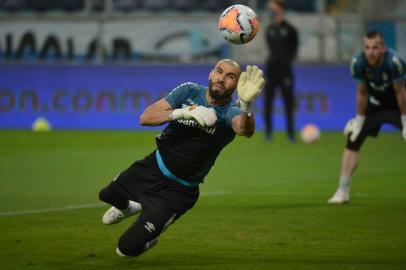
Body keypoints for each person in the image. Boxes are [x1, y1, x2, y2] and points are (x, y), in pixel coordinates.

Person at [98, 59, 265, 257]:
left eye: (230, 77)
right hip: (152, 168)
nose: (222, 79)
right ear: (211, 74)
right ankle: (128, 207)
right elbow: (146, 117)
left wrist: (246, 106)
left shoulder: (231, 113)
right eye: (219, 72)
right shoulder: (189, 91)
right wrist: (184, 112)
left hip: (178, 193)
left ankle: (150, 235)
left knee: (125, 249)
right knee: (106, 195)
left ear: (237, 86)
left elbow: (245, 130)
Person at [328, 30, 406, 204]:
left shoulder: (394, 62)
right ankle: (342, 191)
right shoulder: (358, 62)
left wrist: (405, 120)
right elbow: (362, 93)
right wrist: (359, 120)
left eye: (375, 48)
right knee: (353, 139)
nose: (371, 52)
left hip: (397, 106)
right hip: (375, 105)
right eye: (367, 48)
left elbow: (401, 92)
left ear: (383, 49)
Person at [263, 0, 299, 142]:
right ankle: (268, 134)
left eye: (273, 8)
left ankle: (290, 134)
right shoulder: (269, 29)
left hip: (285, 71)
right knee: (268, 104)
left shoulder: (291, 30)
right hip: (271, 70)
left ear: (281, 9)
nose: (271, 10)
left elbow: (294, 51)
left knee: (288, 105)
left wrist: (285, 62)